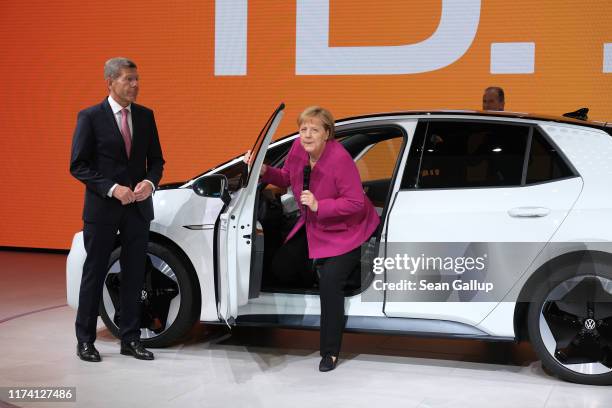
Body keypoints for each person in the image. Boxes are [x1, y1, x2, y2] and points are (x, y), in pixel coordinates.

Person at [246, 106, 379, 372]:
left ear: (327, 133)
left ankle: (329, 352)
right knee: (280, 266)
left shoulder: (339, 159)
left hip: (346, 230)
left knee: (331, 285)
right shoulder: (297, 149)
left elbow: (354, 202)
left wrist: (320, 205)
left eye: (314, 129)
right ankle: (317, 269)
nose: (306, 135)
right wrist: (264, 172)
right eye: (303, 129)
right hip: (314, 226)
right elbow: (286, 177)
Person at [70, 57, 165, 362]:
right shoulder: (90, 117)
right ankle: (85, 340)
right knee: (94, 273)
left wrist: (150, 183)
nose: (135, 85)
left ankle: (131, 338)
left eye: (137, 79)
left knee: (135, 274)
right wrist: (112, 188)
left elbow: (157, 162)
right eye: (128, 79)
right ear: (109, 82)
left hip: (138, 209)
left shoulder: (146, 116)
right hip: (102, 209)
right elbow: (79, 166)